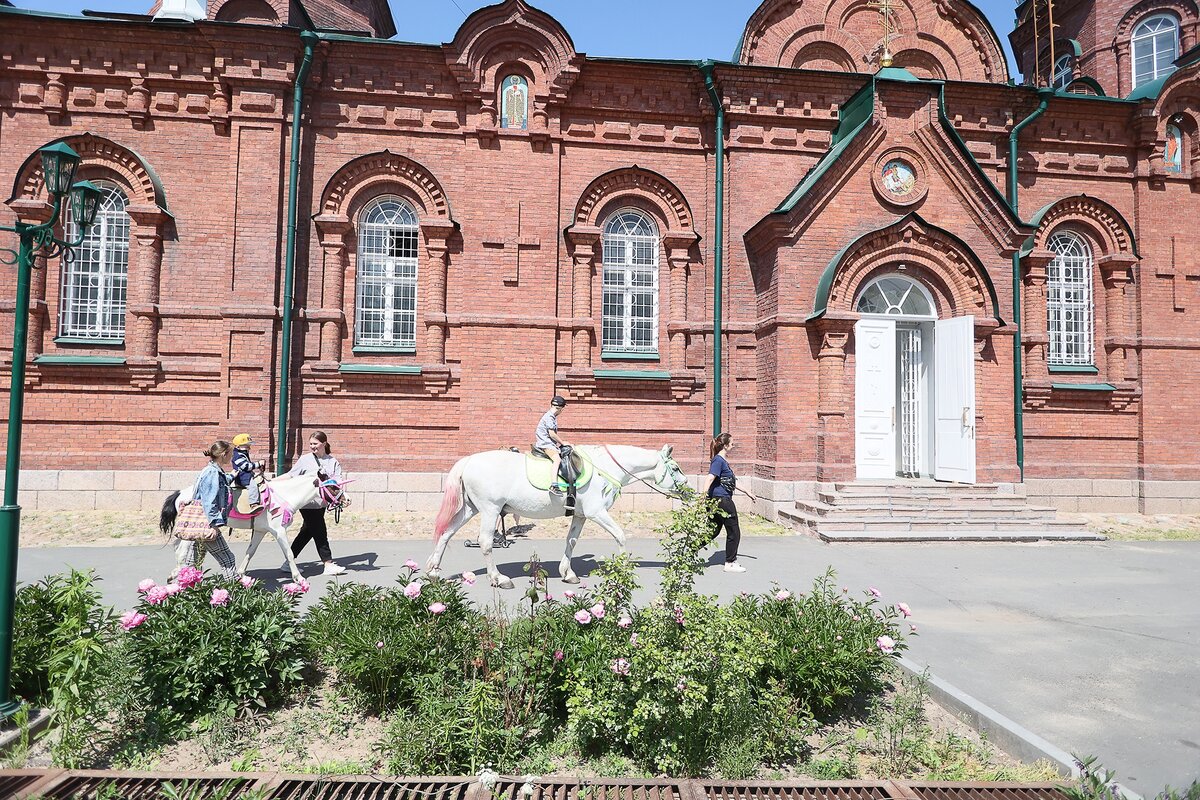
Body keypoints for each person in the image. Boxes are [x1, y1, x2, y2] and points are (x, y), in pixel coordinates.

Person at [280, 431, 347, 576]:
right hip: (307, 503)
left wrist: (342, 497)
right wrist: (272, 482)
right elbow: (291, 475)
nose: (312, 447)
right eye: (310, 444)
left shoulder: (332, 462)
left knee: (307, 532)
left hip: (321, 503)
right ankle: (328, 563)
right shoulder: (305, 460)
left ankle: (288, 562)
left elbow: (337, 483)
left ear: (323, 444)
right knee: (320, 531)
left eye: (315, 444)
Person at [175, 440, 240, 580]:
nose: (232, 457)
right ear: (223, 454)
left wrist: (232, 476)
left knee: (193, 561)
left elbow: (217, 484)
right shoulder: (212, 473)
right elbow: (209, 502)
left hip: (198, 524)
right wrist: (215, 524)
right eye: (231, 454)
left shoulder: (211, 470)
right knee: (228, 559)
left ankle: (186, 590)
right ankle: (234, 593)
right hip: (207, 523)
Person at [708, 433, 746, 573]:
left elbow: (730, 482)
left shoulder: (722, 461)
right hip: (722, 500)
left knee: (712, 530)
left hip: (717, 500)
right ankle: (730, 562)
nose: (733, 445)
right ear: (725, 445)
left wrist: (748, 492)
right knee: (734, 531)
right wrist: (702, 496)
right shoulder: (718, 460)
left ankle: (688, 552)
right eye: (731, 443)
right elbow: (710, 478)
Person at [535, 395, 571, 495]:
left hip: (548, 442)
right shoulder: (550, 417)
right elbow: (552, 434)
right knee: (557, 459)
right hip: (545, 443)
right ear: (559, 408)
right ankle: (554, 485)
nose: (561, 411)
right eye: (562, 409)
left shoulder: (550, 416)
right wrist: (563, 442)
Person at [230, 433, 263, 512]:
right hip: (242, 478)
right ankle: (253, 504)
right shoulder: (237, 456)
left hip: (247, 475)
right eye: (246, 445)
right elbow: (246, 467)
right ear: (238, 446)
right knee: (253, 486)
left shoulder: (243, 453)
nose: (249, 448)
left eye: (249, 445)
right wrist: (258, 464)